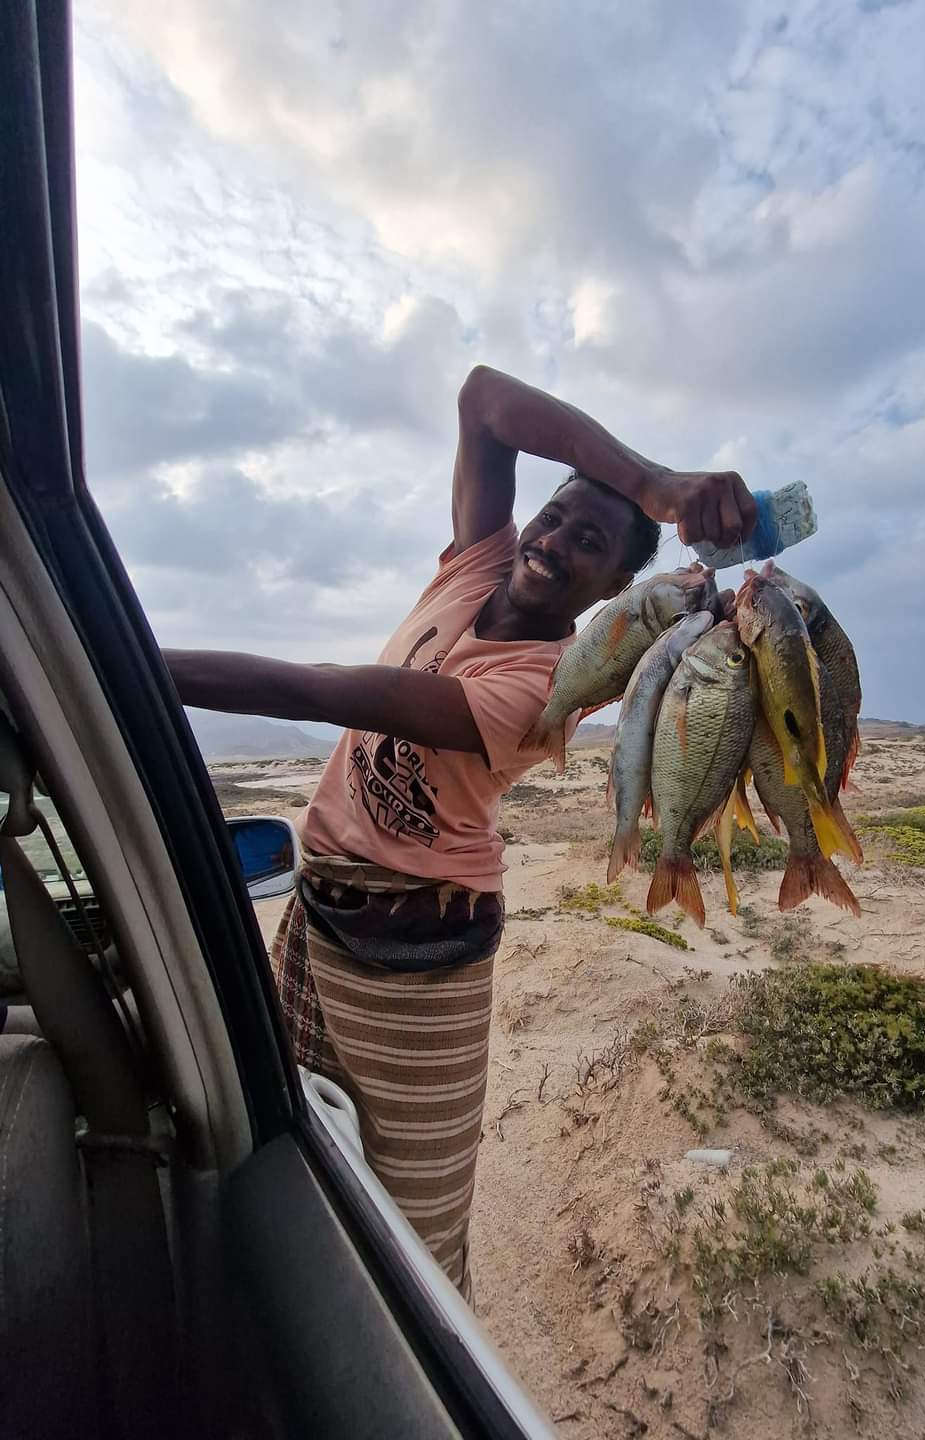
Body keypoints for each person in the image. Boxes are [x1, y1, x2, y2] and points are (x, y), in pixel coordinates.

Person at [165, 366, 756, 1300]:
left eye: (589, 543)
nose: (554, 541)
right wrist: (652, 485)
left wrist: (116, 659)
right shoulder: (477, 563)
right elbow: (483, 397)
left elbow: (313, 691)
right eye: (556, 517)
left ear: (614, 586)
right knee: (293, 1143)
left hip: (417, 962)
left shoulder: (547, 689)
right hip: (314, 918)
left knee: (414, 1235)